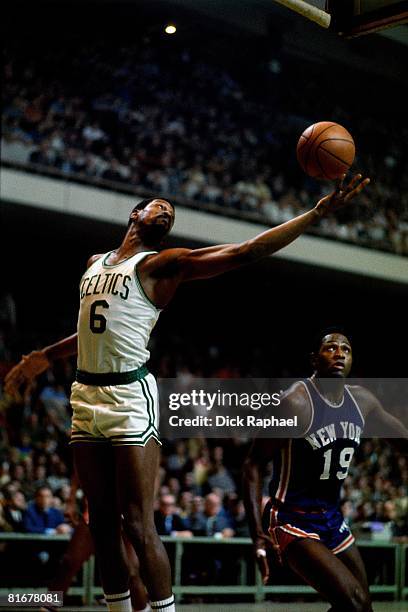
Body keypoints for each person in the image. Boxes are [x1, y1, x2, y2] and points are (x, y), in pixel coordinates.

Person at [5, 174, 369, 612]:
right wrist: (45, 355)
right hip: (85, 394)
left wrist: (314, 214)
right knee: (101, 523)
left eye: (171, 214)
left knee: (137, 525)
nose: (167, 212)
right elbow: (92, 331)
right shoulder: (94, 264)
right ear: (135, 213)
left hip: (129, 395)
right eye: (160, 206)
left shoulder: (161, 265)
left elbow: (245, 251)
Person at [243, 329, 408, 612]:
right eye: (331, 348)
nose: (339, 353)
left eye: (346, 349)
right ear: (314, 360)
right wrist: (256, 532)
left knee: (361, 606)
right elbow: (253, 464)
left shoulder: (363, 402)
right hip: (291, 518)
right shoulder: (296, 403)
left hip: (331, 517)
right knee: (354, 603)